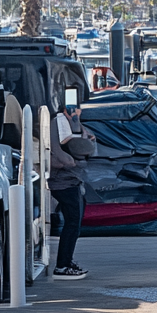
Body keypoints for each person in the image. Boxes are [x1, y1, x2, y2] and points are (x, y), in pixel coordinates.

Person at [49, 105, 95, 280]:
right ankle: (62, 265)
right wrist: (69, 162)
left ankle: (66, 261)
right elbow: (60, 151)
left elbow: (87, 142)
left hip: (72, 180)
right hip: (63, 182)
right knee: (72, 222)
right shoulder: (58, 123)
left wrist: (78, 124)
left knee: (74, 223)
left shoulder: (70, 124)